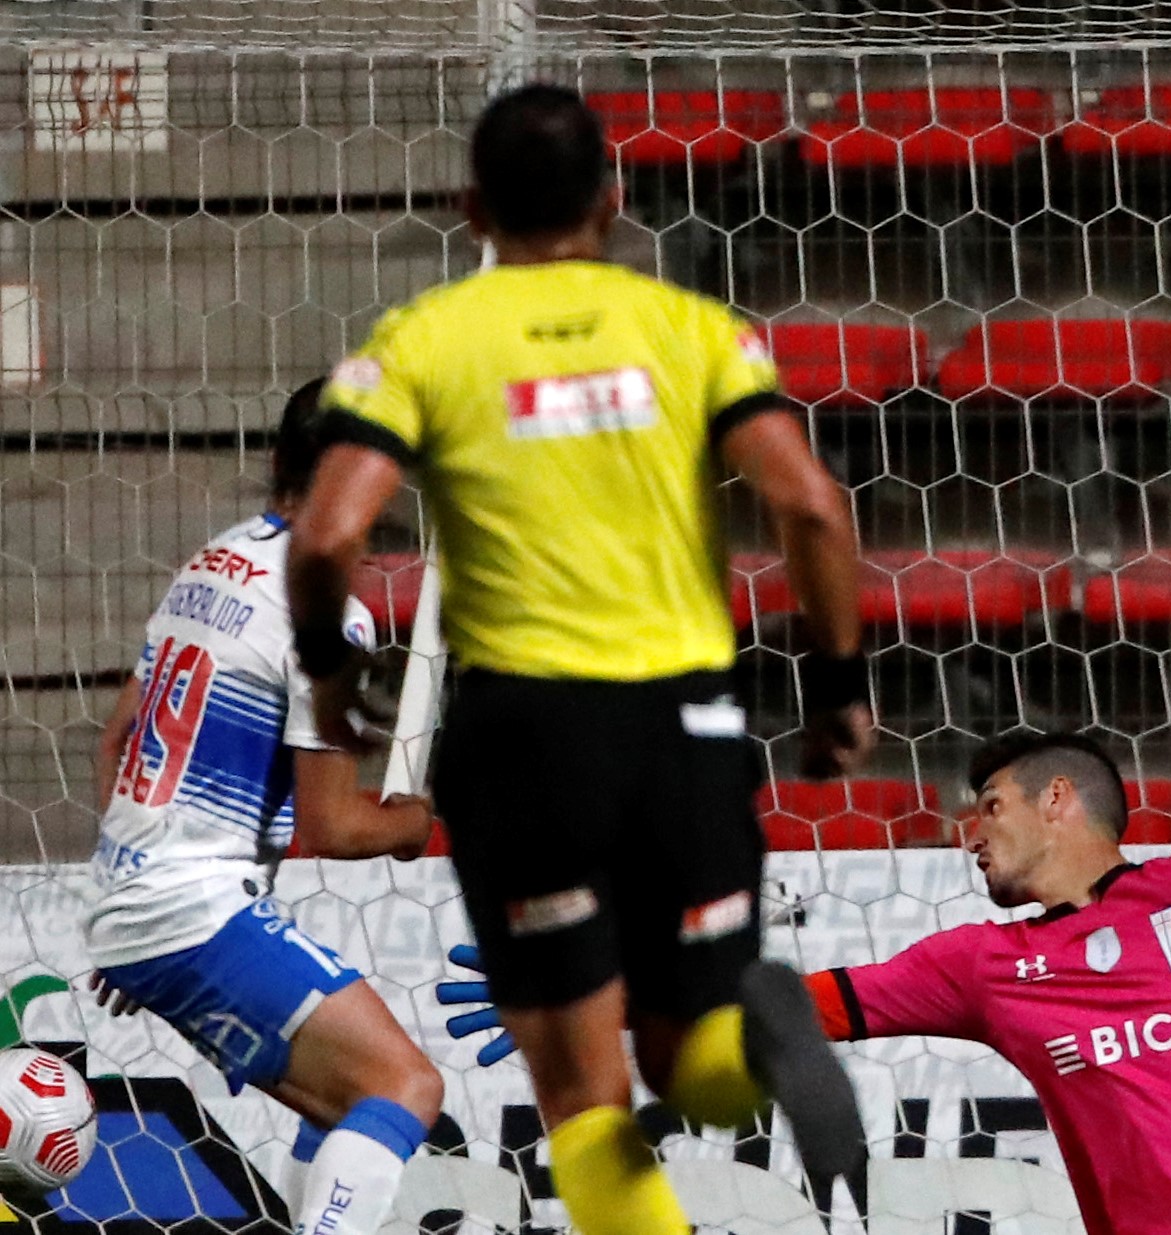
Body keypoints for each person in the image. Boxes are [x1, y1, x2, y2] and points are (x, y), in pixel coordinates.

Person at [287, 83, 875, 1235]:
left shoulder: (424, 339)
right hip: (685, 723)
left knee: (583, 1099)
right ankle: (745, 1038)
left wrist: (329, 671)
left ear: (470, 209)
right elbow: (809, 505)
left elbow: (327, 532)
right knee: (687, 1056)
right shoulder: (693, 328)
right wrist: (839, 683)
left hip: (525, 740)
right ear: (613, 201)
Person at [446, 619, 1171, 1234]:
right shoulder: (982, 965)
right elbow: (802, 1012)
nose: (970, 833)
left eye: (990, 806)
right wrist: (581, 989)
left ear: (1061, 799)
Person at [83, 379, 444, 1235]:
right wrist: (416, 824)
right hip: (191, 908)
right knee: (406, 1086)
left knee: (347, 1105)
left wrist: (139, 905)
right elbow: (337, 826)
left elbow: (116, 743)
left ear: (278, 458)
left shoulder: (212, 561)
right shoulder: (324, 612)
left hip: (141, 898)